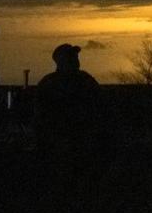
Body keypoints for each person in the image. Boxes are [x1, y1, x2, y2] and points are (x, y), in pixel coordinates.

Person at [35, 44, 104, 189]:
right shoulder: (52, 84)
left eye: (76, 57)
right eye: (72, 57)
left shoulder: (83, 80)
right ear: (62, 61)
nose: (76, 60)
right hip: (63, 144)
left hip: (79, 143)